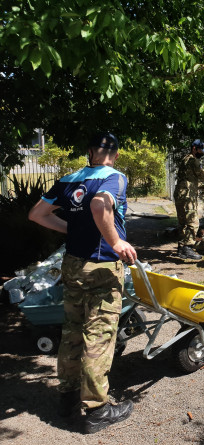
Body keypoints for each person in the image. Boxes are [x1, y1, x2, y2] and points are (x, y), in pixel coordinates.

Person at [28, 132, 136, 434]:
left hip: (73, 264)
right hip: (102, 267)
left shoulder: (68, 180)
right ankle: (96, 410)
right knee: (98, 336)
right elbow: (101, 207)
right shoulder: (115, 177)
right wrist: (115, 242)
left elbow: (37, 214)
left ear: (90, 152)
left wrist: (71, 230)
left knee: (72, 331)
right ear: (114, 154)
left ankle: (66, 397)